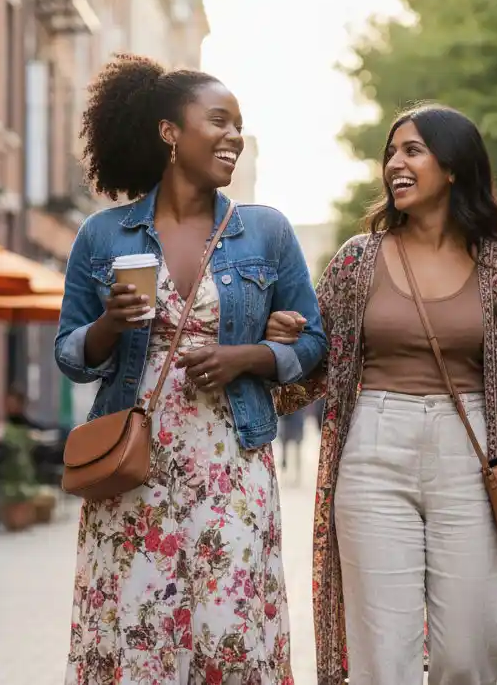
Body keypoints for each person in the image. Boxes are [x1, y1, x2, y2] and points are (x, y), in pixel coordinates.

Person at [265, 104, 497, 685]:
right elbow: (319, 356)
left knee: (472, 647)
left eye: (412, 151)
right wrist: (287, 334)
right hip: (373, 445)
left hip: (468, 448)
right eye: (391, 153)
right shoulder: (357, 259)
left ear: (452, 167)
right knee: (385, 654)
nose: (395, 164)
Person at [54, 54, 326, 685]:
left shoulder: (265, 233)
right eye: (219, 121)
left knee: (231, 635)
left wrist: (248, 356)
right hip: (134, 461)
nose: (233, 136)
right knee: (139, 633)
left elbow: (313, 343)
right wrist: (110, 325)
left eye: (239, 125)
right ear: (169, 132)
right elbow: (70, 354)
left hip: (231, 458)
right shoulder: (102, 235)